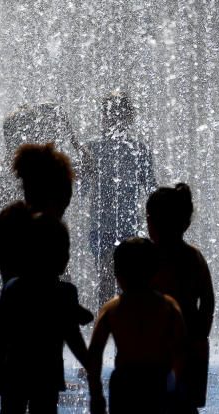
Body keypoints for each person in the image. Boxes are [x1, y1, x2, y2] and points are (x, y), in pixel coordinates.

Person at [0, 143, 79, 347]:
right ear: (53, 195)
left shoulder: (8, 220)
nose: (66, 206)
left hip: (6, 326)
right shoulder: (52, 230)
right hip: (32, 331)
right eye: (64, 200)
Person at [0, 215, 89, 414]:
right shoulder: (65, 292)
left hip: (15, 372)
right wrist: (89, 362)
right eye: (62, 251)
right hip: (46, 374)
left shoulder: (14, 287)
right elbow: (73, 335)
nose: (67, 257)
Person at [88, 237, 187, 414]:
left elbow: (94, 354)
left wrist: (96, 395)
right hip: (158, 379)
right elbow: (181, 351)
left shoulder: (112, 308)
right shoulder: (168, 306)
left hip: (125, 382)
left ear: (117, 274)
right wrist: (181, 391)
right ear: (156, 272)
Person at [81, 91, 156, 305]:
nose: (114, 120)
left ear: (128, 119)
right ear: (103, 118)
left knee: (128, 282)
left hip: (129, 229)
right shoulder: (92, 149)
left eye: (119, 116)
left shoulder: (139, 150)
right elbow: (81, 191)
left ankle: (122, 326)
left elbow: (151, 190)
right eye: (110, 115)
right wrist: (81, 171)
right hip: (101, 229)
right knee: (107, 277)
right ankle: (106, 323)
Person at [147, 183, 215, 413]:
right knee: (185, 406)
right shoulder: (194, 257)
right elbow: (208, 299)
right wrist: (202, 332)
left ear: (151, 223)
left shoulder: (149, 258)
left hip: (159, 345)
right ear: (185, 223)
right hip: (192, 343)